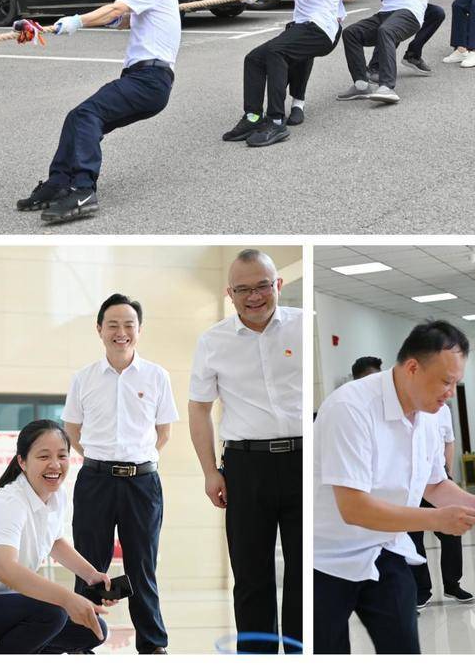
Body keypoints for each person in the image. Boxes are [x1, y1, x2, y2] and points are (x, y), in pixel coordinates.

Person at [313, 320, 475, 654]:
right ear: (412, 367)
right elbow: (353, 508)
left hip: (385, 550)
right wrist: (437, 520)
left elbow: (436, 484)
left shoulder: (430, 413)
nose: (450, 393)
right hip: (325, 561)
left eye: (456, 384)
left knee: (404, 649)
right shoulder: (349, 409)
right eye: (446, 382)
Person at [188, 250, 302, 654]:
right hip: (244, 465)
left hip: (302, 460)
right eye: (243, 289)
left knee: (304, 573)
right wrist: (209, 472)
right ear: (229, 293)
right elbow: (199, 409)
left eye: (262, 286)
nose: (254, 296)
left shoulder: (304, 327)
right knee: (252, 577)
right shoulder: (213, 341)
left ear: (278, 285)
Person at [16, 0, 180, 224]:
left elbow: (115, 9)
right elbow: (122, 18)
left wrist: (76, 21)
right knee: (78, 119)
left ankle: (83, 190)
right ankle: (58, 182)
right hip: (150, 82)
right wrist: (58, 26)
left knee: (87, 115)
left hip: (148, 79)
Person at [62, 293, 179, 654]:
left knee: (142, 564)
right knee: (89, 563)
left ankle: (153, 643)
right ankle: (83, 639)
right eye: (112, 324)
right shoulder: (84, 378)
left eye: (129, 325)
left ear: (139, 331)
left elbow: (164, 432)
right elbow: (72, 430)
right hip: (94, 480)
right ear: (99, 329)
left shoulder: (157, 376)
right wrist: (103, 461)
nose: (121, 332)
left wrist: (135, 461)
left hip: (142, 483)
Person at [0, 421, 116, 654]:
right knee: (52, 614)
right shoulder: (9, 502)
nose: (55, 465)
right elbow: (5, 569)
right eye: (43, 456)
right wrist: (67, 599)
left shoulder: (57, 494)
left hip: (8, 602)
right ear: (22, 461)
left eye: (62, 456)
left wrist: (91, 575)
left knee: (93, 631)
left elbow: (54, 540)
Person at [223, 0, 342, 145]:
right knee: (254, 58)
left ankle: (276, 121)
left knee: (277, 52)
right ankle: (253, 116)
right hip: (303, 25)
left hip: (321, 29)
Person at [407, 402, 472, 606]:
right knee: (413, 537)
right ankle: (421, 589)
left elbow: (448, 442)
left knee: (452, 532)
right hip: (410, 482)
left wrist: (447, 475)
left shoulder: (442, 409)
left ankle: (452, 584)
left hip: (437, 477)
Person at [285, 0, 356, 126]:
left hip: (327, 24)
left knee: (303, 55)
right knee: (277, 60)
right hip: (300, 21)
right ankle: (272, 109)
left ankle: (297, 105)